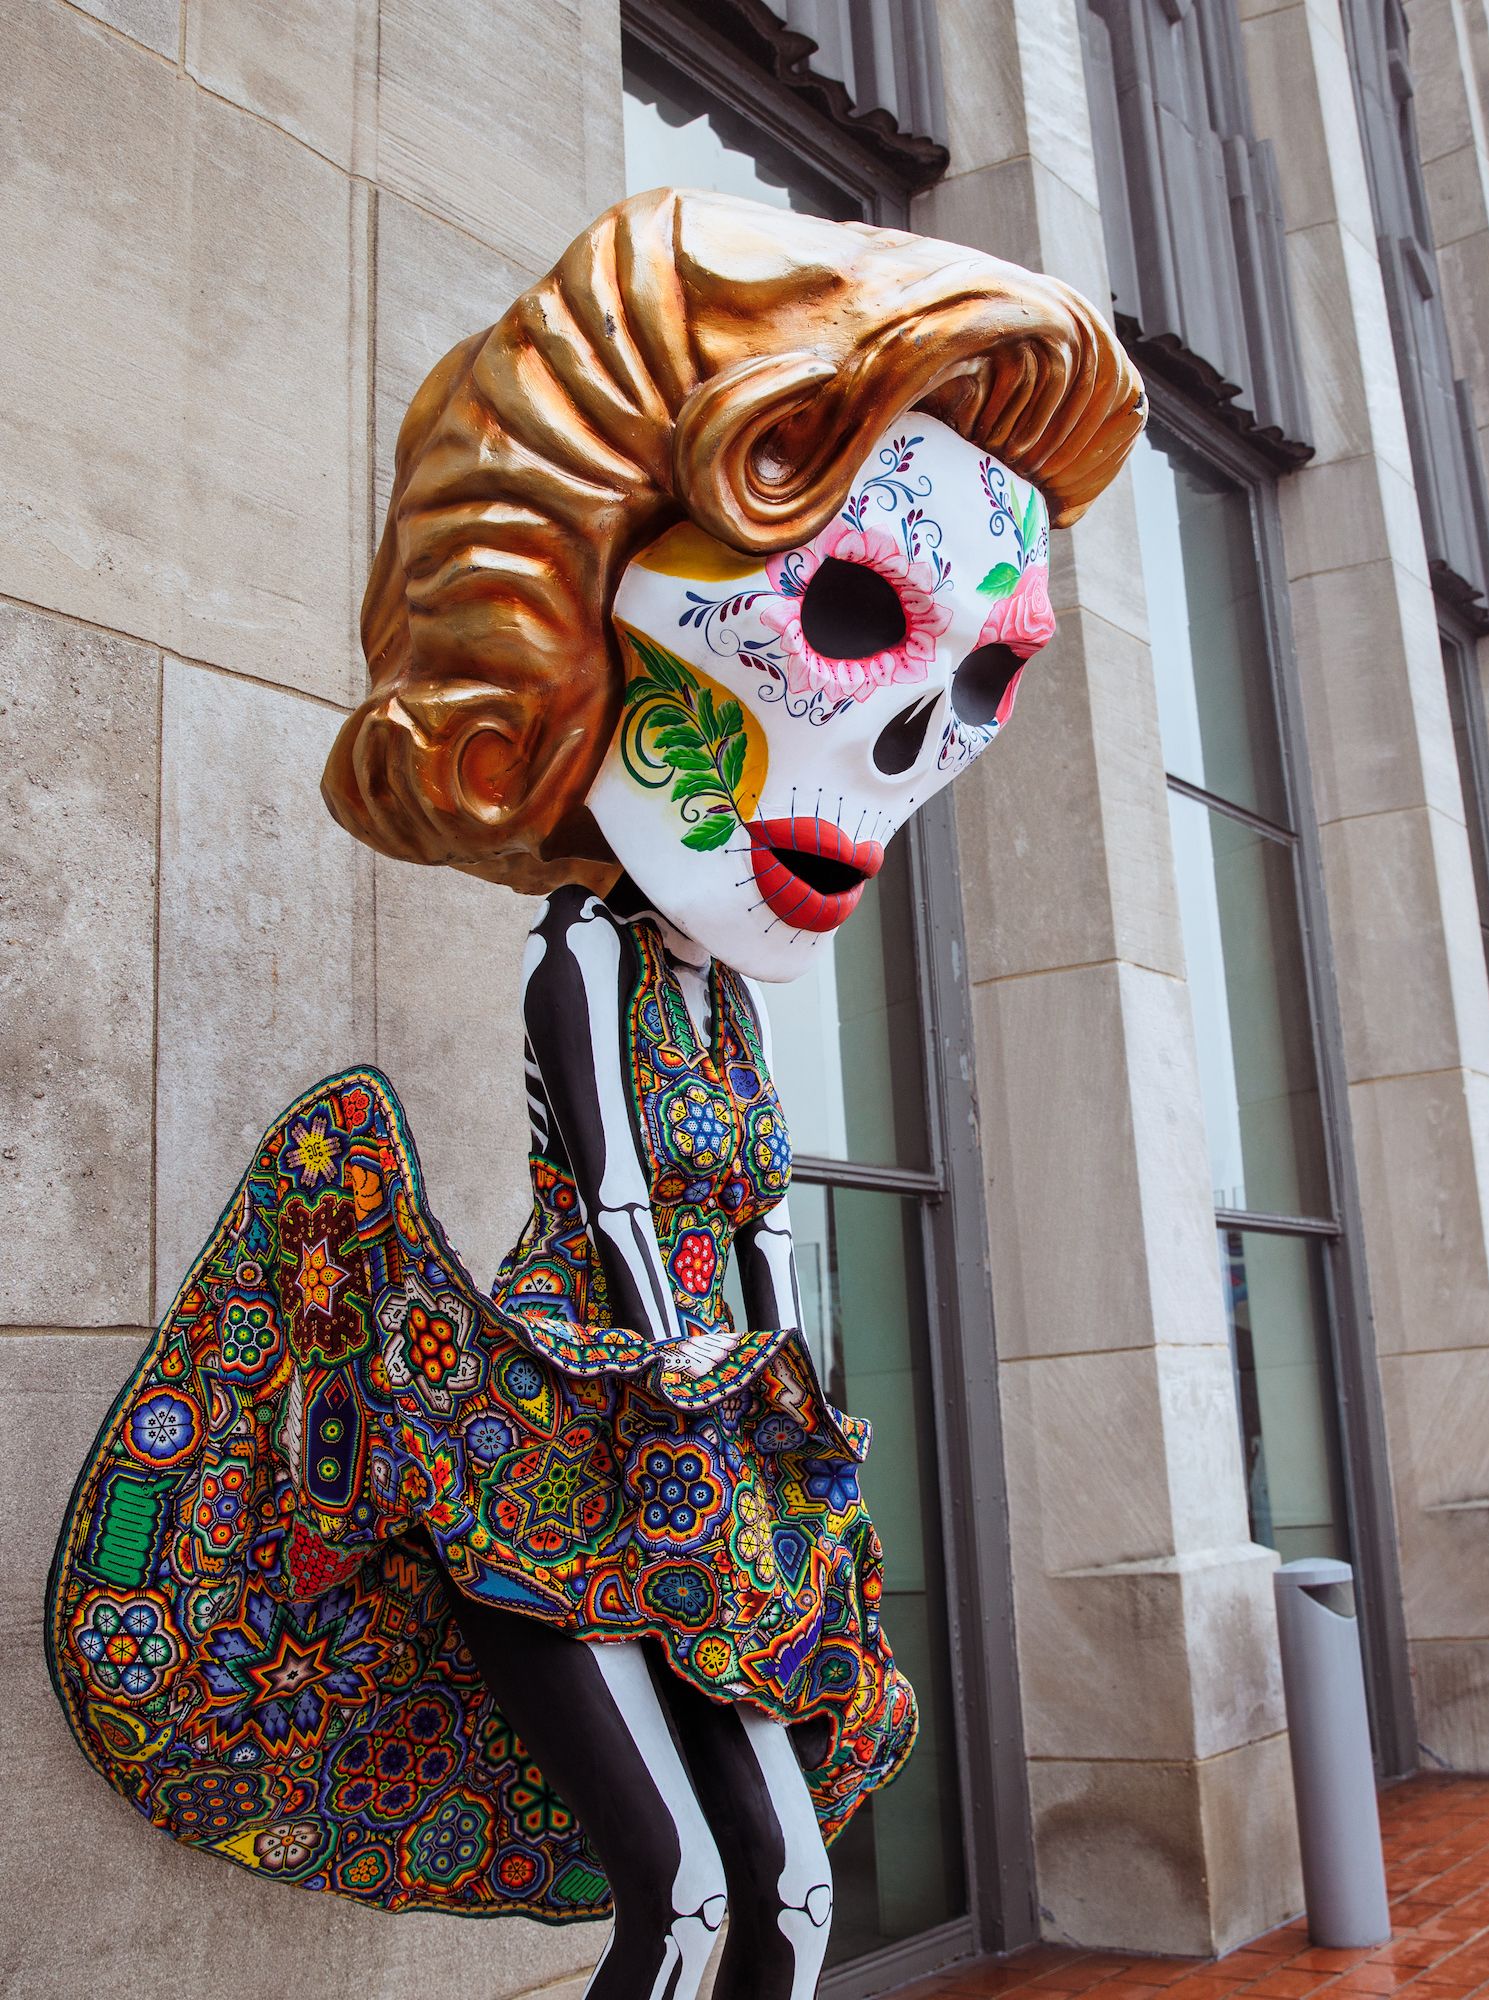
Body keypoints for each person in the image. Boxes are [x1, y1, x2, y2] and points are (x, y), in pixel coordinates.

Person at [47, 187, 1143, 1998]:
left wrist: (776, 1367)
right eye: (862, 615)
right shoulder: (591, 956)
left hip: (716, 1452)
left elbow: (761, 1207)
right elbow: (622, 1199)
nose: (905, 749)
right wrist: (691, 1351)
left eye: (985, 677)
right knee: (691, 1897)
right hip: (578, 1443)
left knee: (793, 1897)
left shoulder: (726, 995)